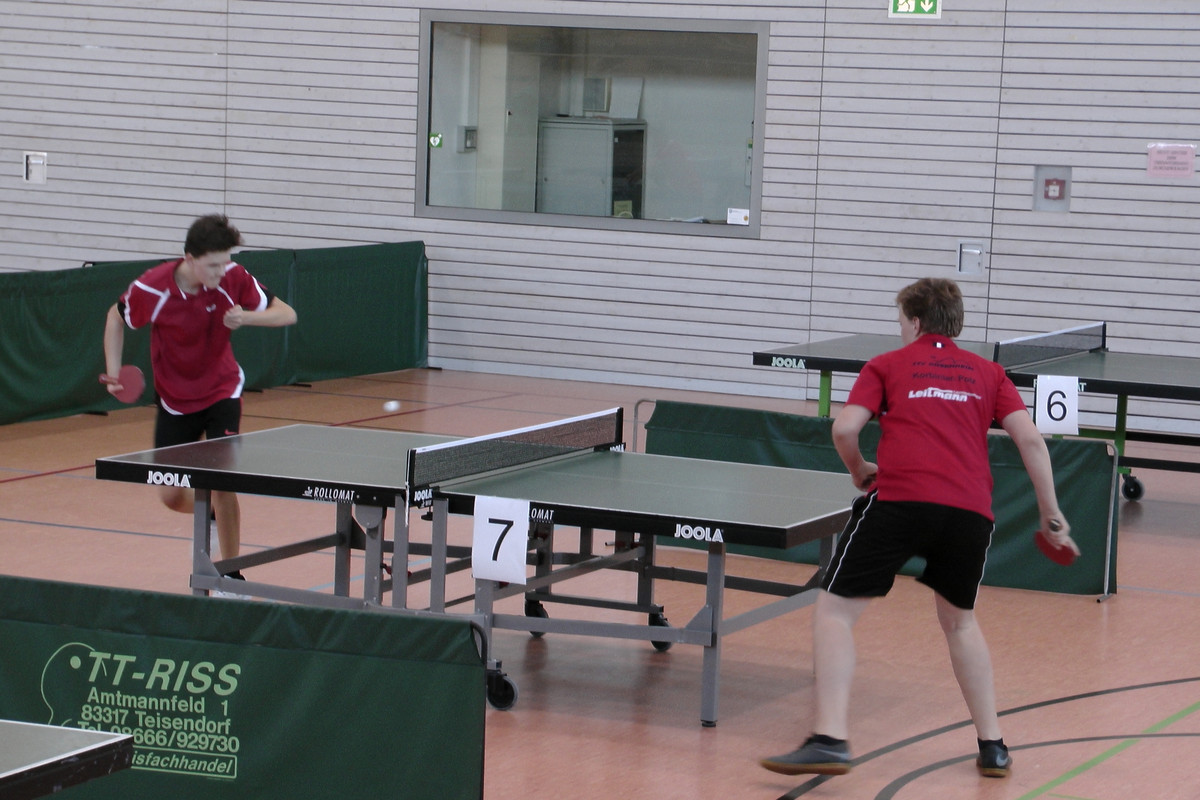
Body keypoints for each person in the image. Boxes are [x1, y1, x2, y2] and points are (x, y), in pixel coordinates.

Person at [760, 277, 1079, 780]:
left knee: (835, 612)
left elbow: (844, 428)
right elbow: (1032, 442)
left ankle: (830, 739)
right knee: (960, 623)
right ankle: (993, 746)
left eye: (900, 321)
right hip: (969, 512)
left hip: (901, 501)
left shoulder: (886, 365)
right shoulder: (990, 373)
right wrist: (1051, 515)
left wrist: (859, 468)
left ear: (913, 321)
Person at [102, 214, 297, 575]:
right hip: (175, 402)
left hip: (222, 391)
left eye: (225, 262)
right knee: (171, 496)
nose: (221, 271)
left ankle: (231, 575)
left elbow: (286, 314)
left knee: (221, 482)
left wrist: (247, 318)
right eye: (213, 265)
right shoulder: (153, 288)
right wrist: (114, 372)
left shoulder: (233, 278)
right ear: (190, 259)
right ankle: (211, 512)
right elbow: (116, 317)